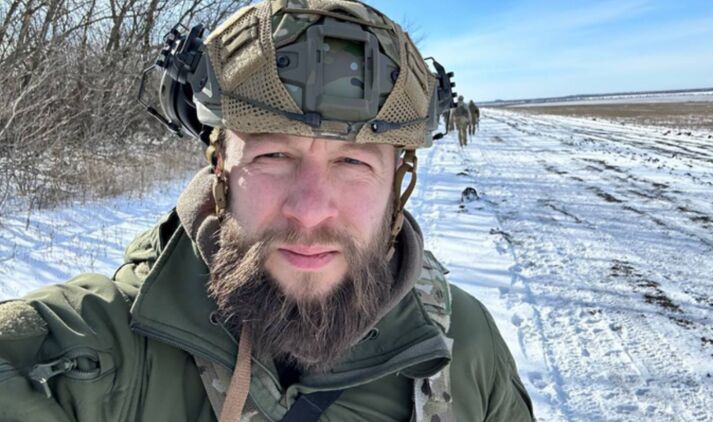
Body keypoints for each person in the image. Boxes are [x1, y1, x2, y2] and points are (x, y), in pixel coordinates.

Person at [0, 1, 533, 421]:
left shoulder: (466, 346)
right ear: (220, 169)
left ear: (398, 184)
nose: (310, 211)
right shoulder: (93, 356)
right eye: (273, 156)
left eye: (353, 162)